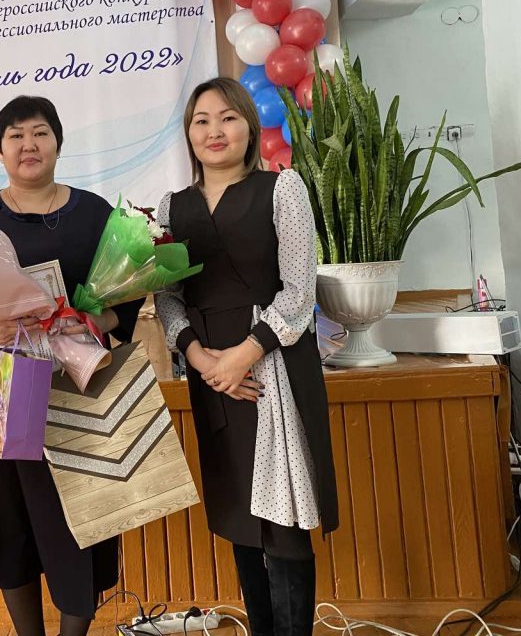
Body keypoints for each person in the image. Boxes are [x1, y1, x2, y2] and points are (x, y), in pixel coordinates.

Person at [0, 95, 142, 636]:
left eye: (40, 132)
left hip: (78, 382)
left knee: (81, 510)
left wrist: (87, 319)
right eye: (16, 135)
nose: (29, 144)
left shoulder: (96, 214)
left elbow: (126, 303)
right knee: (7, 513)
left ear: (58, 144)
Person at [155, 78, 338, 636]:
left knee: (284, 523)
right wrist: (201, 359)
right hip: (210, 371)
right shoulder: (171, 208)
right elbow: (167, 296)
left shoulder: (282, 189)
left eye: (228, 118)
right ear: (189, 134)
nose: (215, 130)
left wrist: (244, 356)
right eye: (202, 120)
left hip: (273, 365)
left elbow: (299, 291)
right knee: (241, 515)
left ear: (250, 129)